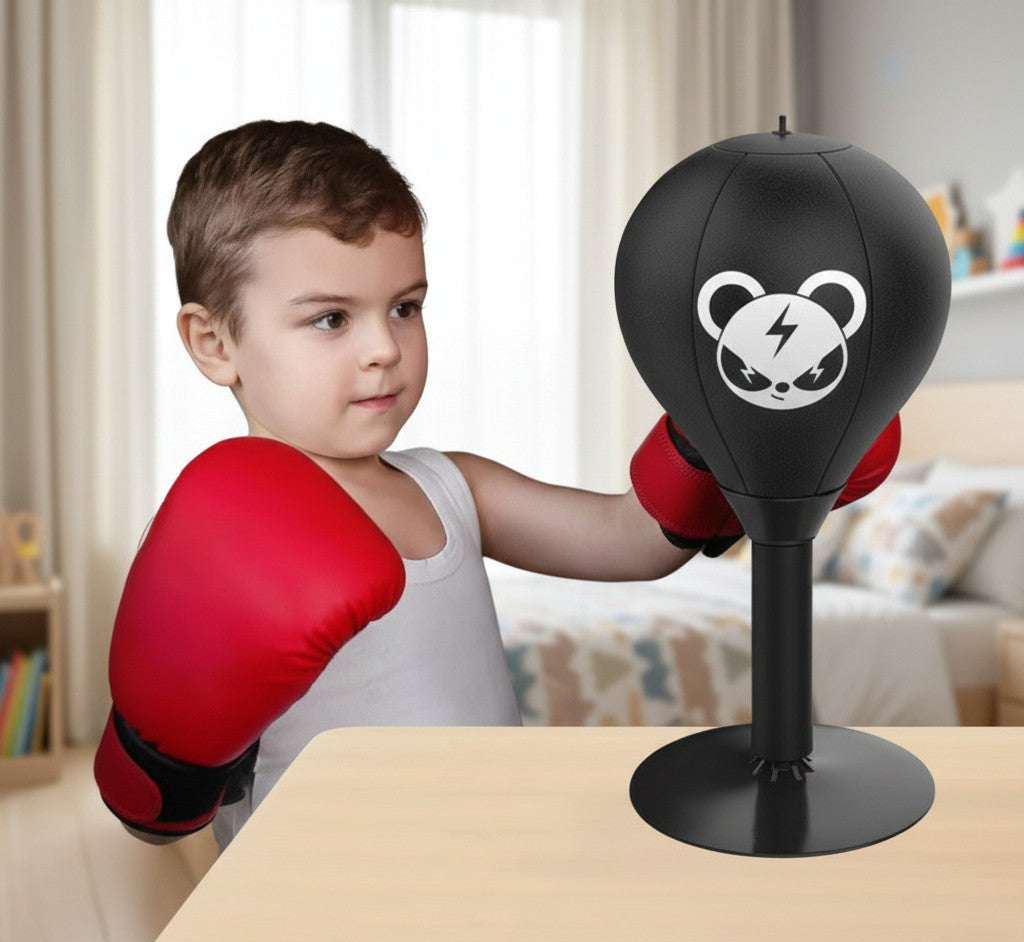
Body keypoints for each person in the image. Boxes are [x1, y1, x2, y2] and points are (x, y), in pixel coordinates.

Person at [93, 121, 898, 852]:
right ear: (213, 343)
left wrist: (725, 435)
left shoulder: (454, 487)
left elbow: (633, 540)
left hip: (491, 869)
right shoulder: (217, 538)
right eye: (331, 319)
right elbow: (154, 813)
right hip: (317, 909)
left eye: (405, 307)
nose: (384, 348)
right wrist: (165, 771)